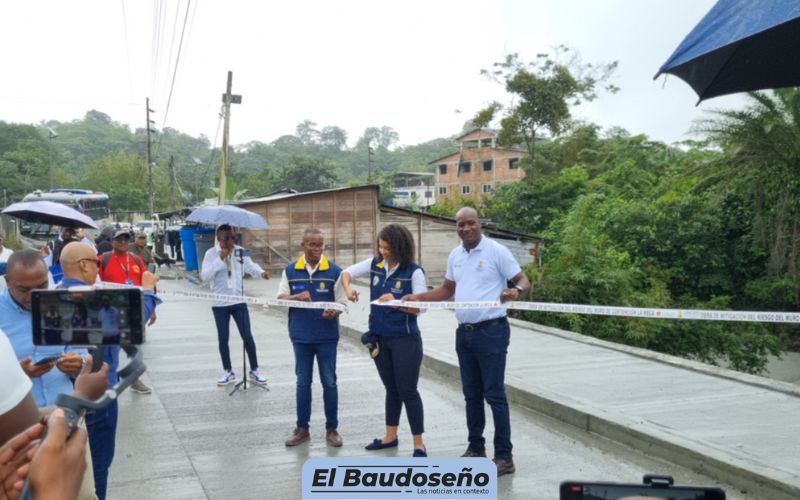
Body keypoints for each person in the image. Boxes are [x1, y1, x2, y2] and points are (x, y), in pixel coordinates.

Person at [402, 207, 531, 476]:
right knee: (471, 394)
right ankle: (476, 448)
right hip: (465, 333)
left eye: (471, 223)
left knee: (494, 394)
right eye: (461, 225)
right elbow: (448, 290)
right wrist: (419, 298)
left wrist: (514, 290)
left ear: (479, 224)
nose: (466, 229)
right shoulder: (456, 255)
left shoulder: (496, 251)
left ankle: (504, 457)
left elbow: (522, 279)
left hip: (492, 331)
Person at [59, 241, 161, 500]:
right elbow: (134, 323)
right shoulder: (94, 301)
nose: (99, 267)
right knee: (98, 464)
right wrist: (148, 290)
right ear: (83, 265)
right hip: (97, 396)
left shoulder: (55, 296)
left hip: (65, 396)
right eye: (96, 262)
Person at [341, 223, 428, 457]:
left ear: (400, 247)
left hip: (405, 340)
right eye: (380, 247)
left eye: (388, 248)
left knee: (408, 390)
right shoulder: (375, 264)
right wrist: (348, 289)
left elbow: (422, 308)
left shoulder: (414, 272)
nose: (384, 252)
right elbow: (346, 273)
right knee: (391, 388)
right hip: (380, 339)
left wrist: (397, 300)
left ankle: (419, 444)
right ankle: (390, 436)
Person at [278, 229, 345, 447]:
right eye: (311, 245)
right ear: (302, 245)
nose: (316, 249)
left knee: (330, 382)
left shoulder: (334, 271)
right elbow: (280, 298)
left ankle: (332, 429)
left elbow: (341, 303)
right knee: (303, 383)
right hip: (301, 336)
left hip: (326, 336)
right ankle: (302, 428)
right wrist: (296, 296)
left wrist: (334, 311)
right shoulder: (290, 270)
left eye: (320, 245)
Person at [0, 250, 88, 409]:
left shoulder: (64, 305)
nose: (34, 295)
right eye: (24, 289)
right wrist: (18, 373)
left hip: (65, 410)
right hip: (16, 420)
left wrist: (78, 362)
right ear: (7, 282)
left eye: (42, 285)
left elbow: (83, 354)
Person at [201, 224, 270, 386]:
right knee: (223, 339)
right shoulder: (211, 254)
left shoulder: (240, 250)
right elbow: (205, 276)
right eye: (226, 238)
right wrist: (220, 259)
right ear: (219, 238)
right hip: (220, 304)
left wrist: (261, 273)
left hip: (239, 301)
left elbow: (250, 266)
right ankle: (228, 371)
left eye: (233, 237)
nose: (230, 241)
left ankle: (254, 370)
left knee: (247, 336)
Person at [98, 228, 154, 395]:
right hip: (110, 315)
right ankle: (106, 383)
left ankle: (134, 379)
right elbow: (94, 283)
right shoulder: (103, 259)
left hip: (133, 311)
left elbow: (146, 282)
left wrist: (152, 309)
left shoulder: (136, 260)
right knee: (109, 351)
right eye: (119, 239)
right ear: (112, 241)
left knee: (133, 349)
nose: (122, 242)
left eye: (125, 239)